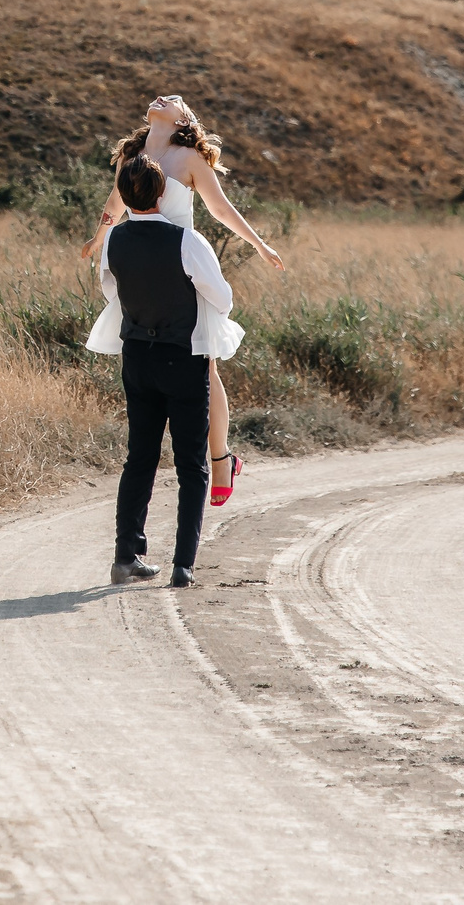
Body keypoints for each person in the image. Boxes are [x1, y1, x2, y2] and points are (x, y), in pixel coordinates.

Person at [86, 95, 284, 511]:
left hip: (183, 265)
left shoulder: (190, 157)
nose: (165, 98)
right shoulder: (131, 154)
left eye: (176, 100)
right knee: (151, 354)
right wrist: (99, 237)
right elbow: (114, 203)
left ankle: (220, 459)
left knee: (204, 364)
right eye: (163, 97)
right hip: (144, 267)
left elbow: (220, 208)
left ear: (183, 120)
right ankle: (184, 459)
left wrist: (261, 244)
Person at [99, 150, 224, 585]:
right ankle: (183, 567)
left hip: (136, 356)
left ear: (124, 195)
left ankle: (124, 558)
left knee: (140, 458)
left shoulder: (113, 240)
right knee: (191, 464)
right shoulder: (187, 241)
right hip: (183, 359)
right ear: (163, 191)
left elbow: (109, 288)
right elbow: (223, 299)